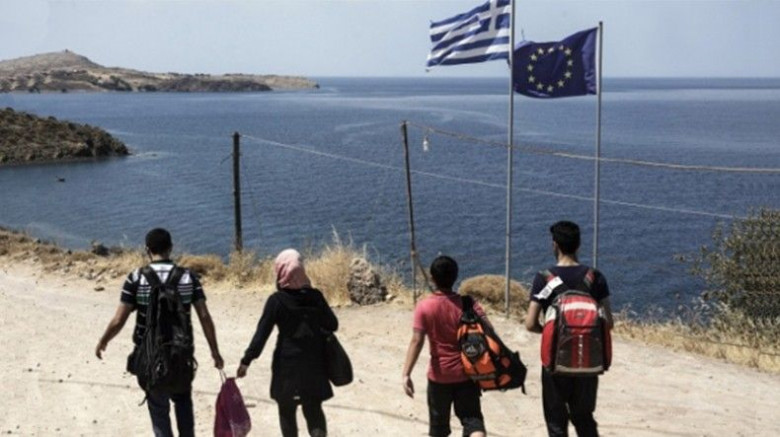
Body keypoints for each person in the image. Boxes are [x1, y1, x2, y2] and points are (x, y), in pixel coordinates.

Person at [95, 228, 224, 437]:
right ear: (170, 248)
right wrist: (215, 351)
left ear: (147, 250)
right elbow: (204, 317)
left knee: (159, 412)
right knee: (183, 402)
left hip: (149, 356)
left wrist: (104, 340)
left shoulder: (136, 278)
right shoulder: (188, 277)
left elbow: (119, 320)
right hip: (181, 356)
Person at [524, 221, 614, 437]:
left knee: (556, 422)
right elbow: (609, 322)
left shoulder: (544, 278)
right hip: (588, 361)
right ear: (579, 245)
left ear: (554, 245)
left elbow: (530, 323)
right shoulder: (595, 277)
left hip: (556, 361)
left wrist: (552, 332)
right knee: (584, 418)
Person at [237, 248, 338, 437]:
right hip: (314, 364)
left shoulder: (277, 301)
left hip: (287, 366)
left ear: (281, 271)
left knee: (287, 411)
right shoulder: (315, 296)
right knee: (314, 409)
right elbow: (333, 324)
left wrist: (246, 361)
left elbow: (261, 335)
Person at [402, 255, 488, 437]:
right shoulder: (468, 304)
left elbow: (417, 341)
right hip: (467, 373)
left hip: (439, 376)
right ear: (455, 276)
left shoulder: (424, 307)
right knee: (472, 420)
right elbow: (488, 331)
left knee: (439, 429)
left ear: (433, 278)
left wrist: (406, 374)